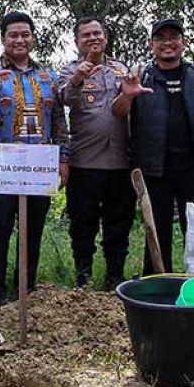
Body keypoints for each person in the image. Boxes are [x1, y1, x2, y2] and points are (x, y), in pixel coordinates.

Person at [0, 11, 69, 306]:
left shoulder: (47, 76)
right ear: (3, 39)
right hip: (0, 166)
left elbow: (59, 121)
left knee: (32, 231)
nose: (19, 40)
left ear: (33, 38)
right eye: (13, 35)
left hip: (39, 165)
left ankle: (26, 287)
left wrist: (63, 158)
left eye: (25, 34)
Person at [114, 17, 194, 276]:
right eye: (161, 38)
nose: (167, 43)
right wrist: (127, 94)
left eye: (174, 38)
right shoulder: (139, 76)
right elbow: (117, 112)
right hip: (153, 168)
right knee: (155, 230)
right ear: (151, 44)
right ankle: (157, 284)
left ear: (184, 43)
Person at [57, 17, 134, 288]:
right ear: (77, 41)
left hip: (120, 163)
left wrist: (128, 94)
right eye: (86, 35)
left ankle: (115, 276)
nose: (93, 38)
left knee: (119, 225)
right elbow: (63, 99)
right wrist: (80, 76)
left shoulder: (121, 69)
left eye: (97, 33)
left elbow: (126, 107)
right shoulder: (68, 70)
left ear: (106, 37)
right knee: (83, 224)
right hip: (83, 162)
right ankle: (84, 276)